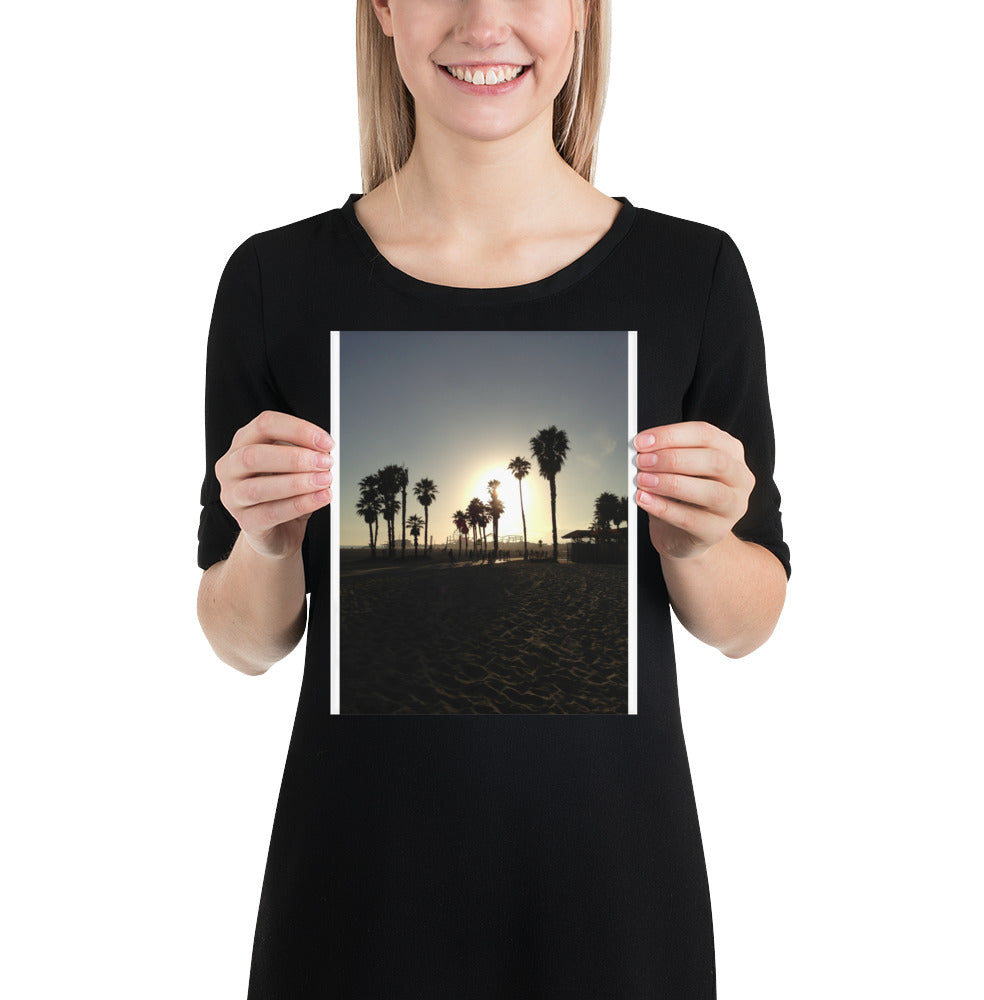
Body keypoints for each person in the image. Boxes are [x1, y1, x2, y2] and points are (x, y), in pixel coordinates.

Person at [196, 1, 790, 996]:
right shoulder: (274, 282)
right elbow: (244, 639)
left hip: (615, 911)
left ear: (583, 15)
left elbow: (748, 620)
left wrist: (697, 543)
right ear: (383, 9)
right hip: (354, 911)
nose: (485, 20)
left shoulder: (694, 277)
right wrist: (265, 543)